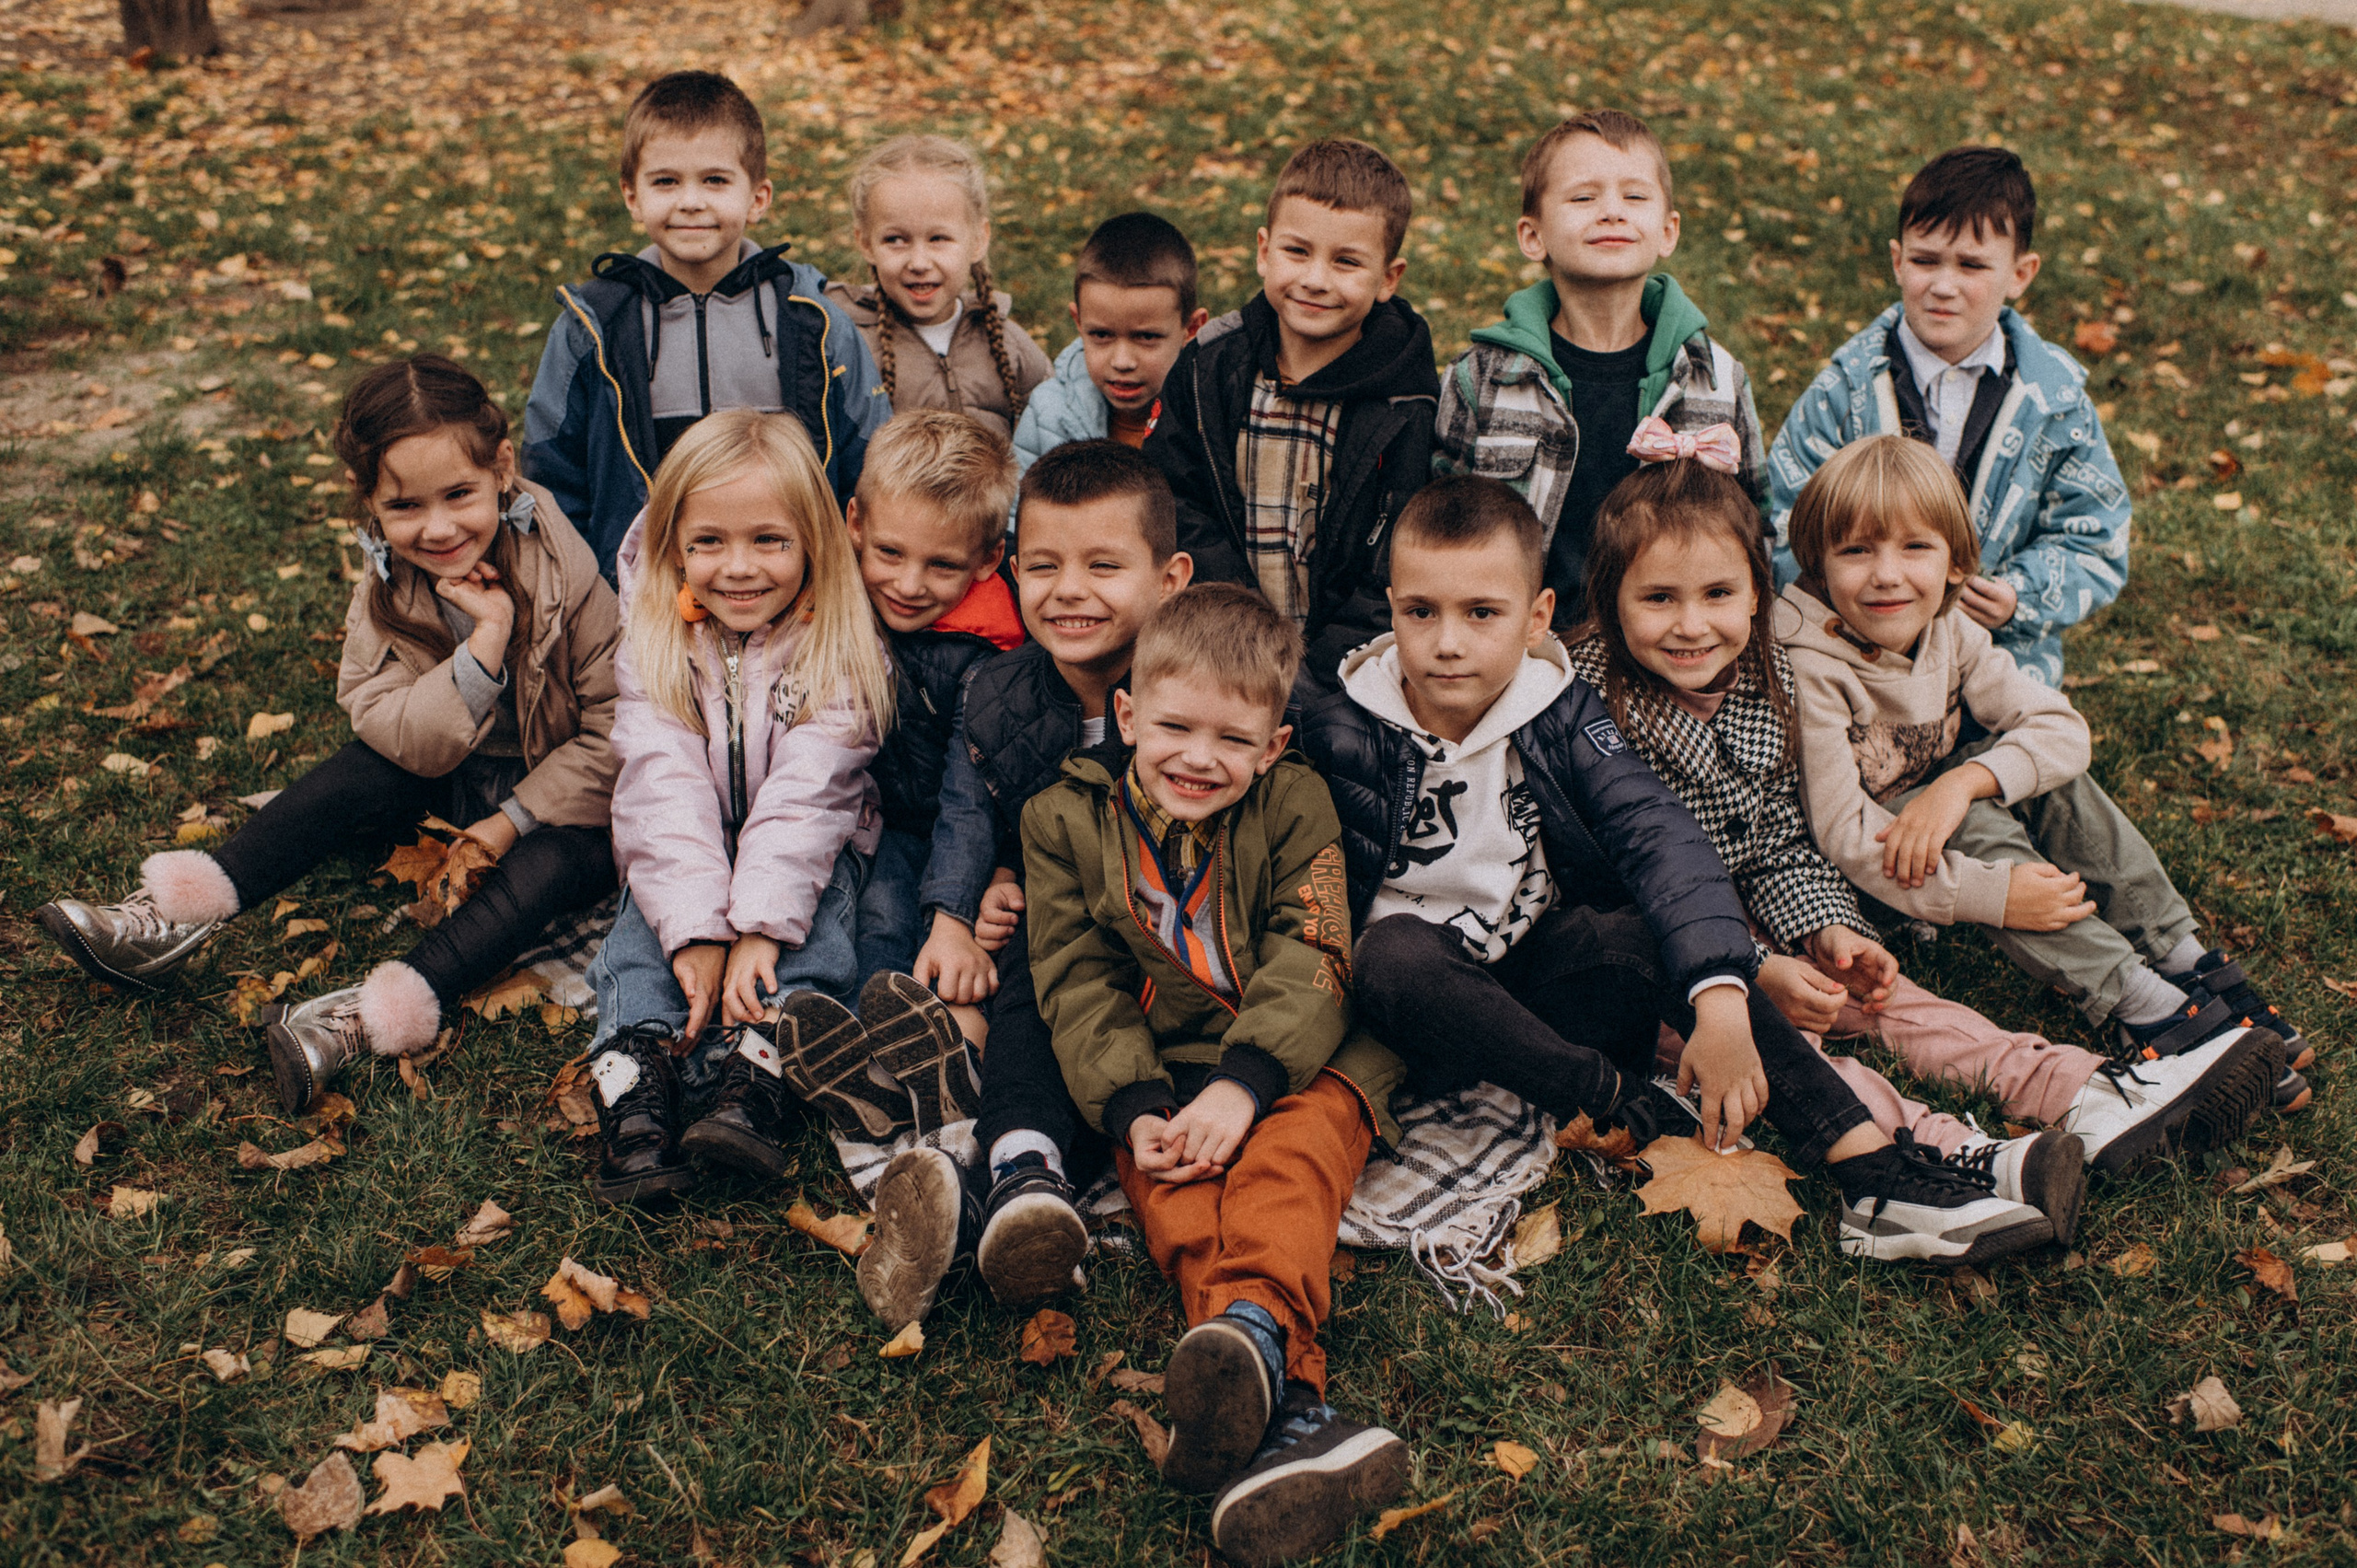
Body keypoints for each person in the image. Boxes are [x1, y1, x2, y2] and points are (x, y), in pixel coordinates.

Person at [1299, 476, 2058, 1266]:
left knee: (1643, 930)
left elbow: (1658, 832)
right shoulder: (1343, 726)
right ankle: (1623, 1106)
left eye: (1481, 613)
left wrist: (1723, 995)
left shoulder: (1559, 709)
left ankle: (1871, 1171)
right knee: (1396, 949)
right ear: (1392, 608)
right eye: (1422, 611)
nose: (1448, 642)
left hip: (1542, 983)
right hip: (1415, 1012)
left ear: (1536, 619)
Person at [1567, 459, 2280, 1243]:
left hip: (1751, 914)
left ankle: (2084, 1093)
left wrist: (1826, 926)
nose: (1692, 625)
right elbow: (1629, 884)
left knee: (1886, 1000)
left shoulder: (1758, 681)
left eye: (1717, 596)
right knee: (1793, 1049)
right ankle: (1945, 1150)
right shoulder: (1589, 712)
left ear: (1758, 599)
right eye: (1659, 598)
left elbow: (1774, 837)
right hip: (1652, 957)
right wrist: (1753, 967)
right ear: (1609, 601)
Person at [39, 357, 621, 1115]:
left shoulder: (563, 568)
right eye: (405, 505)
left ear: (501, 469)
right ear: (371, 503)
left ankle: (361, 1017)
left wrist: (509, 822)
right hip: (451, 771)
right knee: (361, 770)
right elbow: (378, 717)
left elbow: (616, 734)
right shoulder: (389, 581)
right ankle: (179, 911)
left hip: (561, 795)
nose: (438, 527)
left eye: (459, 495)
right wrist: (485, 647)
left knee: (550, 866)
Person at [1025, 583, 1411, 1566]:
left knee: (1284, 1167)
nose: (1200, 757)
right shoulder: (1063, 818)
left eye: (1233, 739)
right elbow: (1075, 978)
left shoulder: (1296, 802)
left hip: (1306, 1051)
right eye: (1174, 727)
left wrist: (1246, 1081)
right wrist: (1134, 1103)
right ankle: (1293, 1415)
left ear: (1273, 744)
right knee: (1178, 1196)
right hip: (1163, 1064)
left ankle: (1253, 1346)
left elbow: (1314, 948)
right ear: (1126, 716)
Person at [1776, 436, 2304, 1112]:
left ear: (1955, 561)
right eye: (1856, 550)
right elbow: (1844, 838)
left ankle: (2177, 953)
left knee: (2043, 778)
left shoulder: (1949, 629)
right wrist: (1998, 896)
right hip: (1860, 883)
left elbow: (2061, 728)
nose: (1886, 575)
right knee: (1976, 816)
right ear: (1818, 562)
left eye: (1915, 548)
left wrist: (1960, 782)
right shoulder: (1809, 665)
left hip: (1930, 817)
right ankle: (2138, 1002)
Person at [578, 410, 973, 1208]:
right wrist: (694, 931)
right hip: (691, 836)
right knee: (638, 935)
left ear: (814, 543)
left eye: (769, 540)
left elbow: (811, 792)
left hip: (809, 841)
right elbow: (660, 781)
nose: (739, 568)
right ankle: (638, 1082)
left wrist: (755, 926)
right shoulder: (656, 633)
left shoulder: (837, 638)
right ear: (673, 547)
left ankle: (757, 1073)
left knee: (815, 930)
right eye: (710, 542)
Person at [856, 441, 1191, 1330]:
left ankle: (989, 1168)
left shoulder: (1191, 687)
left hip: (1167, 937)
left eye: (1103, 565)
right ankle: (1008, 1176)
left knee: (1049, 985)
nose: (1068, 589)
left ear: (1169, 578)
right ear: (1011, 568)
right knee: (1017, 982)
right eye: (1043, 565)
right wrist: (954, 917)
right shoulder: (997, 688)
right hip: (1050, 936)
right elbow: (969, 811)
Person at [1766, 145, 2131, 688]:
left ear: (2021, 274)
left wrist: (2019, 597)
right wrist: (1850, 599)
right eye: (1925, 260)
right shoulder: (1842, 394)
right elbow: (1783, 520)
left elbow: (2096, 535)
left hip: (1999, 658)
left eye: (1972, 265)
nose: (1943, 285)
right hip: (1852, 659)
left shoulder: (2057, 405)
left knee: (2036, 756)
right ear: (1897, 260)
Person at [523, 70, 886, 579]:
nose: (690, 201)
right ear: (632, 196)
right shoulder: (594, 328)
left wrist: (839, 579)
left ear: (758, 197)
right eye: (666, 181)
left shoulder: (812, 321)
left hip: (789, 588)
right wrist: (590, 586)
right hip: (641, 594)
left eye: (715, 180)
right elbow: (553, 475)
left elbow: (867, 463)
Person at [1434, 108, 1766, 633]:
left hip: (1673, 653)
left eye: (1635, 197)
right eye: (1583, 197)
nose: (1612, 212)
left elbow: (1755, 529)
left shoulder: (1716, 378)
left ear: (1667, 231)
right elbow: (1438, 536)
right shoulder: (1481, 380)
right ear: (1532, 235)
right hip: (1528, 660)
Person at [1144, 138, 1440, 697]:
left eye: (1347, 261)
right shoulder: (1210, 366)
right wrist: (1241, 629)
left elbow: (1397, 555)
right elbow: (1175, 499)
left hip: (1347, 674)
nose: (1316, 280)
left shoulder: (1406, 402)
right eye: (1297, 252)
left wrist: (1323, 673)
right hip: (1216, 648)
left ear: (1388, 278)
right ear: (1263, 250)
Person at [849, 411, 1024, 1060]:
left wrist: (951, 919)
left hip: (980, 830)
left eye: (941, 565)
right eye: (890, 552)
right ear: (855, 525)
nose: (908, 583)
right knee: (879, 913)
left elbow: (969, 792)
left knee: (940, 925)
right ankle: (882, 1041)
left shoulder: (986, 655)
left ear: (988, 559)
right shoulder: (840, 602)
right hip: (884, 821)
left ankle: (935, 1044)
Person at [826, 134, 1053, 441]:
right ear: (865, 243)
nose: (919, 262)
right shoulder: (847, 346)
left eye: (938, 239)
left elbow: (1053, 435)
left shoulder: (1006, 342)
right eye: (896, 240)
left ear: (978, 239)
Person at [1012, 211, 1210, 476]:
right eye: (1102, 335)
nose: (1122, 362)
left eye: (1146, 337)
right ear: (1079, 321)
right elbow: (1016, 512)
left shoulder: (1211, 414)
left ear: (1192, 329)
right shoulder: (1049, 414)